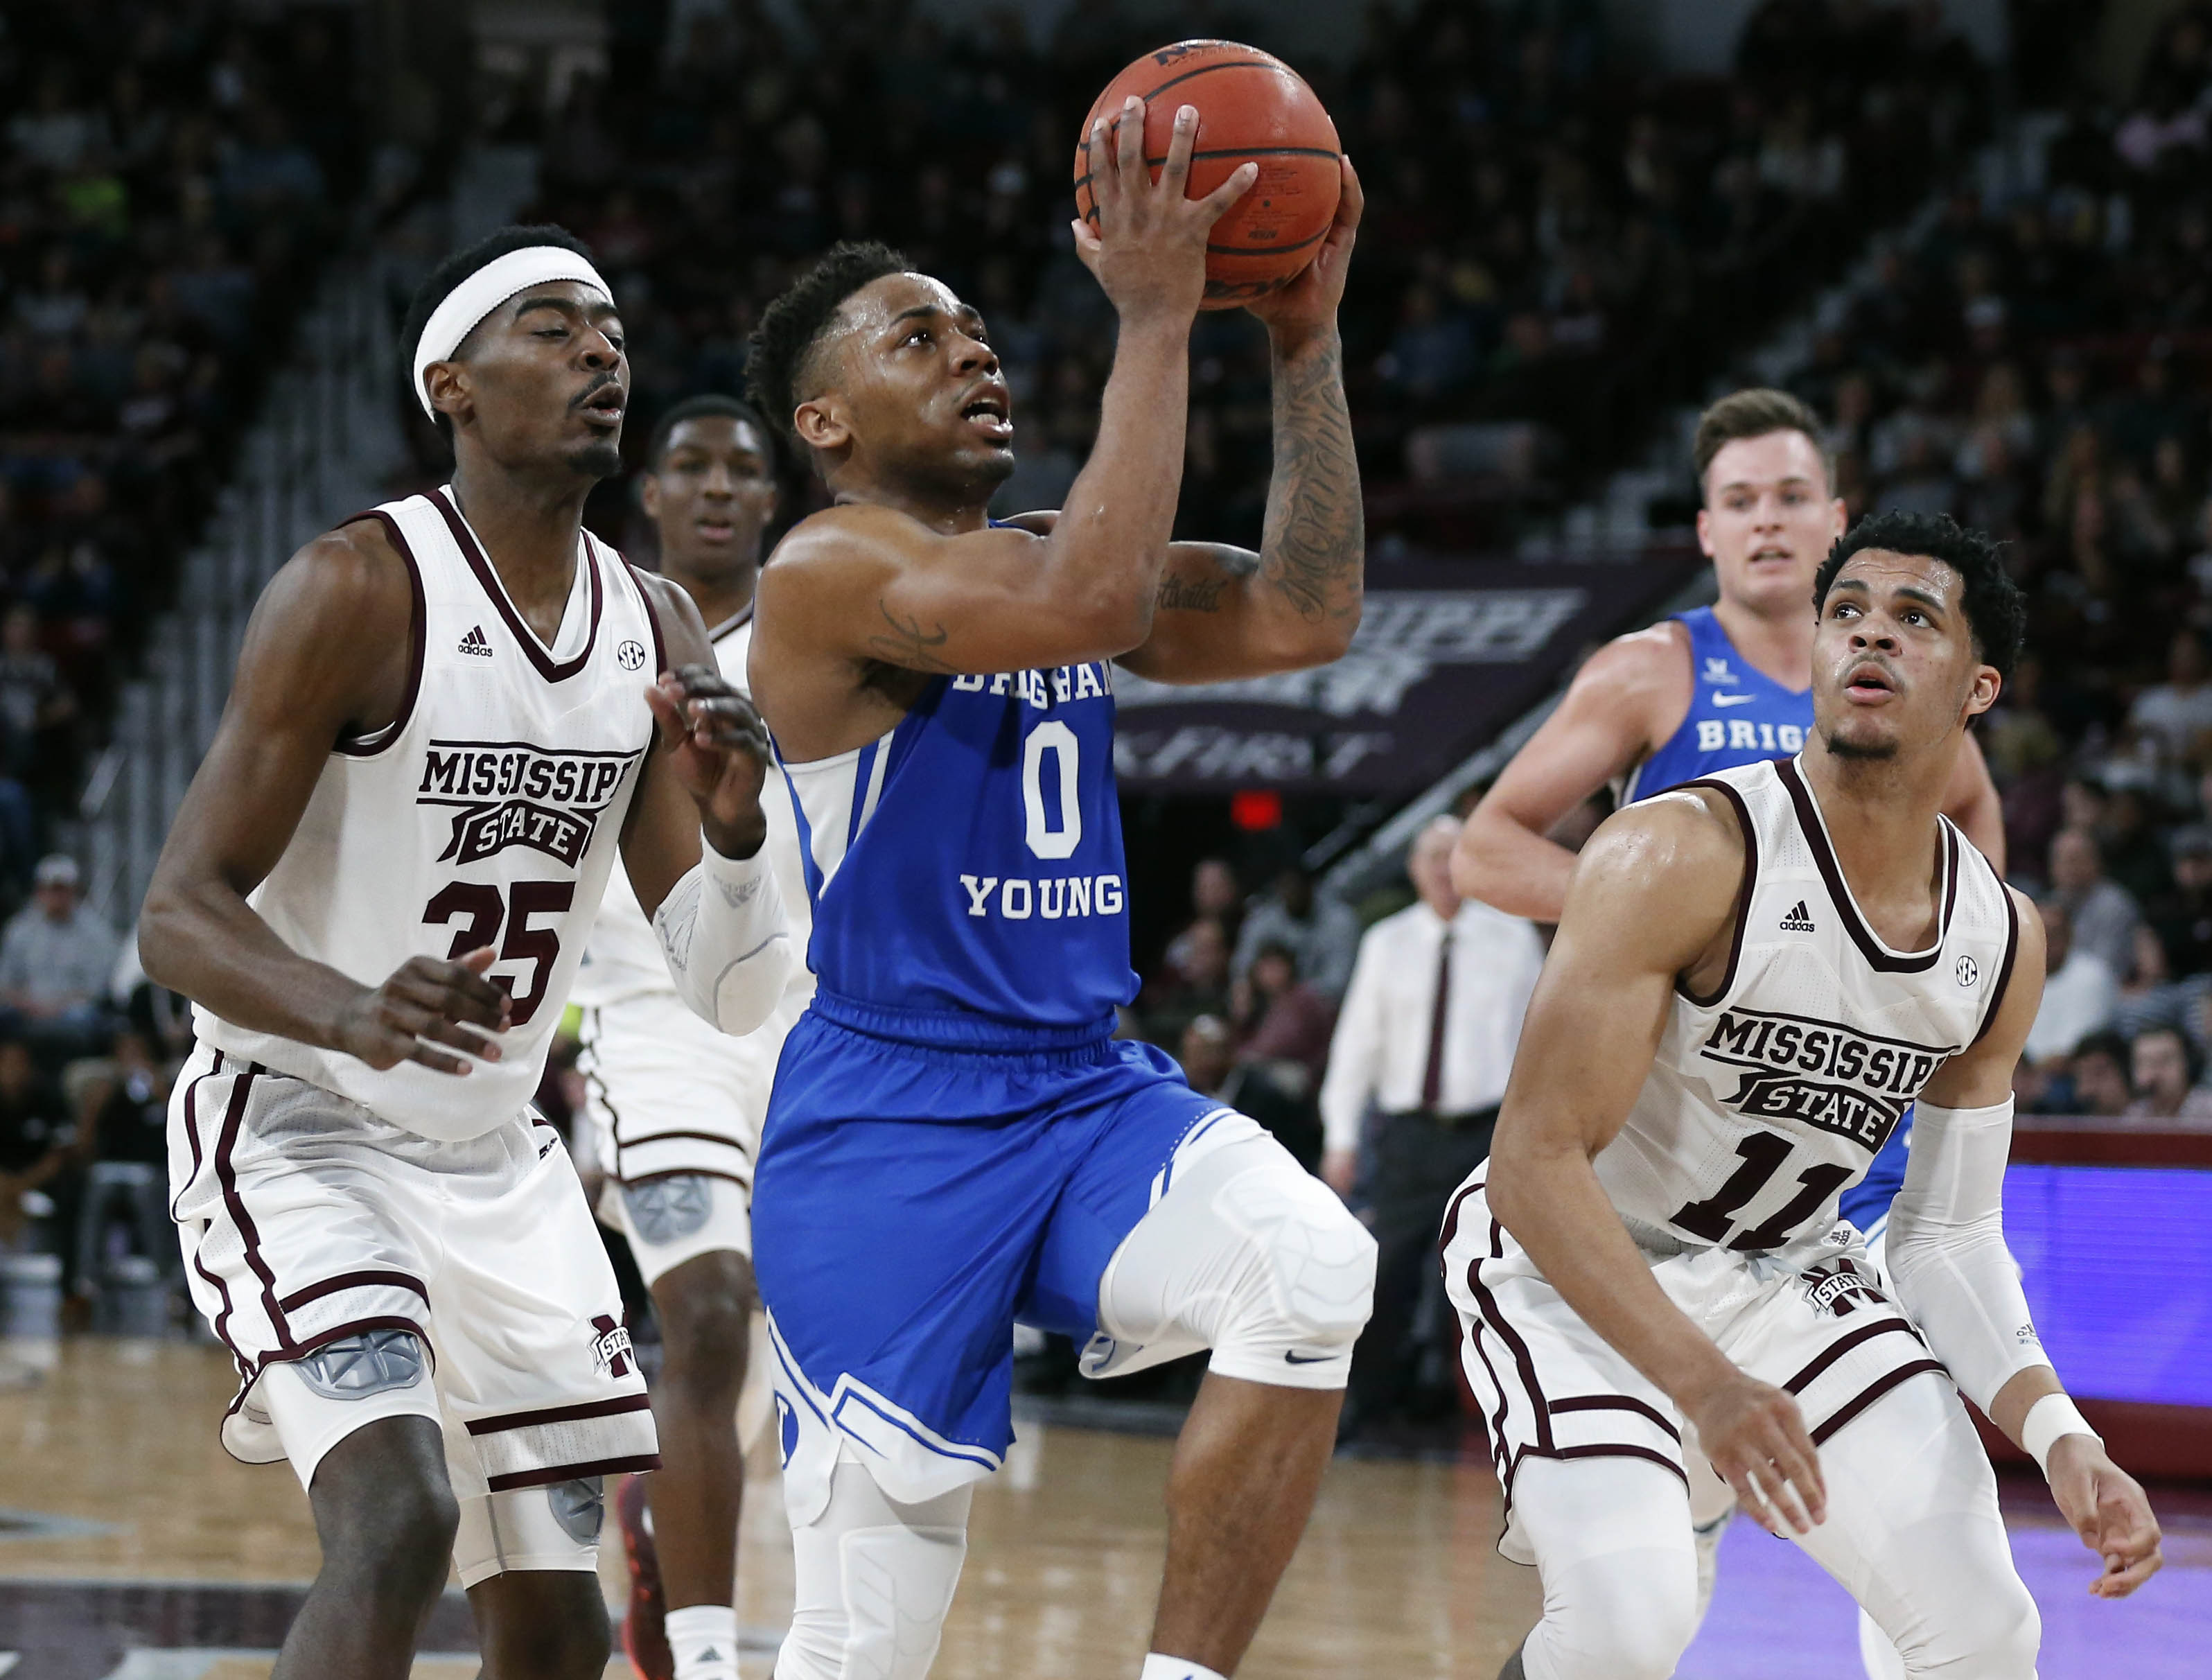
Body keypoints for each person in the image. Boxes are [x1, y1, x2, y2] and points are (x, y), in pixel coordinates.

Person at [741, 105, 1376, 1680]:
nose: (971, 354)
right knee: (856, 1648)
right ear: (823, 420)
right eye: (914, 337)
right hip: (886, 1119)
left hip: (1086, 1093)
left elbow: (1307, 615)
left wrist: (1303, 338)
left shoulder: (1040, 558)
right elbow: (1087, 594)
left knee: (1313, 1268)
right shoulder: (824, 578)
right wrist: (1159, 318)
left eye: (974, 329)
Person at [134, 225, 793, 1680]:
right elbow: (176, 912)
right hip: (300, 1129)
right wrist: (349, 1007)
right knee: (399, 1518)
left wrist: (740, 837)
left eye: (610, 332)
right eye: (553, 330)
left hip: (501, 1160)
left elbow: (728, 985)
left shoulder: (655, 622)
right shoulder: (355, 588)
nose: (601, 355)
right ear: (454, 383)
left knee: (557, 1630)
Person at [1443, 511, 2162, 1680]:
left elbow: (1943, 1232)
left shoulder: (1999, 936)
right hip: (1573, 1264)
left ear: (1978, 687)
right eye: (1846, 612)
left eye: (1911, 618)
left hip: (1785, 1268)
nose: (1868, 633)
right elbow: (1533, 1164)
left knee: (1984, 1630)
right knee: (1629, 1627)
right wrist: (1706, 1387)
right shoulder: (1677, 851)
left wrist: (2058, 1431)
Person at [568, 392, 805, 1680]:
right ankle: (705, 1659)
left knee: (777, 1368)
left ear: (776, 498)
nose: (718, 487)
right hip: (653, 1015)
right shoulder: (592, 636)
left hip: (812, 1025)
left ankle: (665, 1517)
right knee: (707, 1316)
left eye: (745, 469)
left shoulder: (824, 629)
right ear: (647, 492)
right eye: (692, 466)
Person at [1319, 814, 1543, 1439]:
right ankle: (1367, 1408)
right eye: (1431, 858)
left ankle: (1502, 1418)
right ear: (1414, 869)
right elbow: (1356, 1046)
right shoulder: (1385, 942)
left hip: (1485, 1134)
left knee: (1490, 1276)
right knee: (1387, 1272)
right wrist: (1340, 1136)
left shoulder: (1513, 937)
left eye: (1454, 857)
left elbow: (1539, 1042)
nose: (1443, 871)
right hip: (1406, 1134)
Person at [0, 855, 120, 1055]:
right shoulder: (19, 929)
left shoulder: (96, 932)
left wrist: (55, 1007)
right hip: (27, 1008)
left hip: (72, 1009)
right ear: (39, 891)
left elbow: (98, 988)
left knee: (83, 1018)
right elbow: (6, 982)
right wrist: (30, 1005)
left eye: (62, 889)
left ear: (74, 891)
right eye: (50, 889)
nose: (56, 896)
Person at [1232, 861, 1361, 999]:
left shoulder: (1340, 919)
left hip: (1335, 1003)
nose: (1291, 893)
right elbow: (1241, 965)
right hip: (1282, 1004)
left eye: (1296, 887)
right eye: (1285, 888)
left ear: (1310, 886)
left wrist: (1293, 994)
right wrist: (1247, 982)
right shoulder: (1267, 921)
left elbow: (1340, 983)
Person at [2023, 898, 2118, 1067]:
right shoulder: (2015, 978)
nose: (2046, 941)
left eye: (2053, 934)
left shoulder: (2093, 975)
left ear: (2069, 936)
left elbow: (2082, 1047)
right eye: (2039, 933)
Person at [2048, 827, 2143, 981]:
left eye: (2076, 859)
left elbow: (2106, 968)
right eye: (2061, 859)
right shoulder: (2052, 903)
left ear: (2096, 862)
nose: (2068, 867)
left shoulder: (2113, 904)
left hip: (2106, 988)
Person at [2124, 1024, 2212, 1122]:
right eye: (2146, 1062)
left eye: (2165, 1060)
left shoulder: (2208, 1110)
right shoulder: (2134, 1115)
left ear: (2188, 1064)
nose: (2155, 1071)